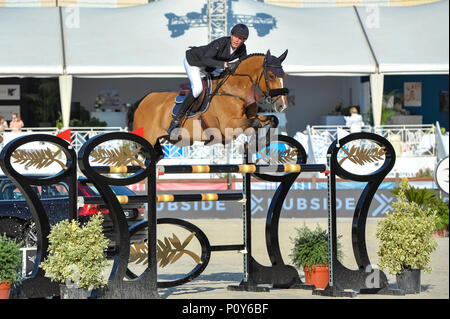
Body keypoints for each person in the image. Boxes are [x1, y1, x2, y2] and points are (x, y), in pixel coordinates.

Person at [167, 23, 249, 135]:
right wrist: (225, 65)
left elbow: (244, 65)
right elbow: (206, 59)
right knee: (197, 88)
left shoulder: (242, 49)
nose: (237, 40)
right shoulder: (220, 43)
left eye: (241, 39)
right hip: (194, 62)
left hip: (210, 66)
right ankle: (176, 119)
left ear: (244, 40)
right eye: (235, 36)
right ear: (231, 35)